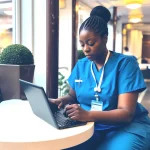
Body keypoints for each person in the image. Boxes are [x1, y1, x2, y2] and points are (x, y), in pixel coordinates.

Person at [50, 6, 150, 150]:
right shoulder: (81, 65)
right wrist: (61, 101)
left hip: (126, 127)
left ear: (105, 38)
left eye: (91, 43)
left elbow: (126, 113)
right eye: (82, 44)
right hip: (91, 126)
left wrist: (88, 114)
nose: (86, 49)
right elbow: (73, 96)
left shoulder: (125, 64)